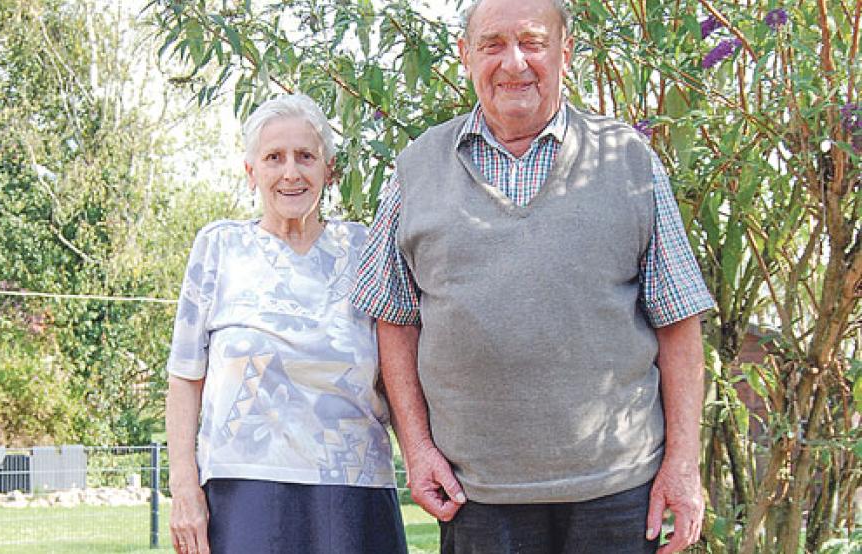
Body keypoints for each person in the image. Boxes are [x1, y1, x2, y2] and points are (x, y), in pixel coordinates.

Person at [351, 0, 715, 552]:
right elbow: (393, 320)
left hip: (618, 493)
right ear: (465, 55)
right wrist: (418, 450)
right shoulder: (416, 168)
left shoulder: (627, 160)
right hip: (475, 495)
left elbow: (678, 320)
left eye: (533, 42)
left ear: (565, 53)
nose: (514, 62)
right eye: (493, 45)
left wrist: (683, 465)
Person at [166, 93, 407, 554]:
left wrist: (421, 459)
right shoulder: (219, 247)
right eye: (274, 157)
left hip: (352, 495)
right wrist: (184, 488)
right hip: (242, 494)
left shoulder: (365, 250)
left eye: (306, 157)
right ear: (251, 171)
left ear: (328, 170)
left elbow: (397, 373)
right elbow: (184, 378)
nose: (291, 172)